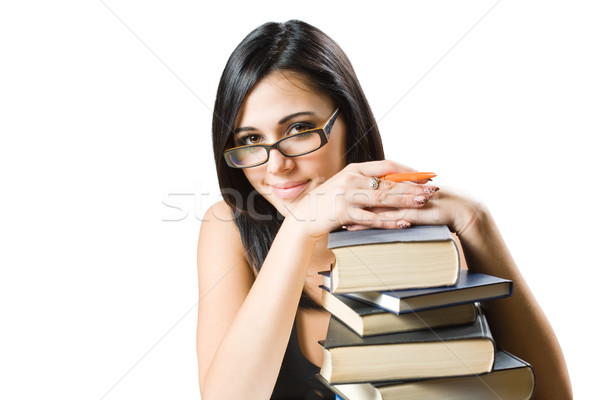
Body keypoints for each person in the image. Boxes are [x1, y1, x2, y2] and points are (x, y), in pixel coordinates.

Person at [196, 20, 572, 400]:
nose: (276, 166)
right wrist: (298, 227)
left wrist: (477, 222)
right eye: (251, 139)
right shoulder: (228, 228)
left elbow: (551, 395)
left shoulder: (422, 242)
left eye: (298, 130)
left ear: (349, 121)